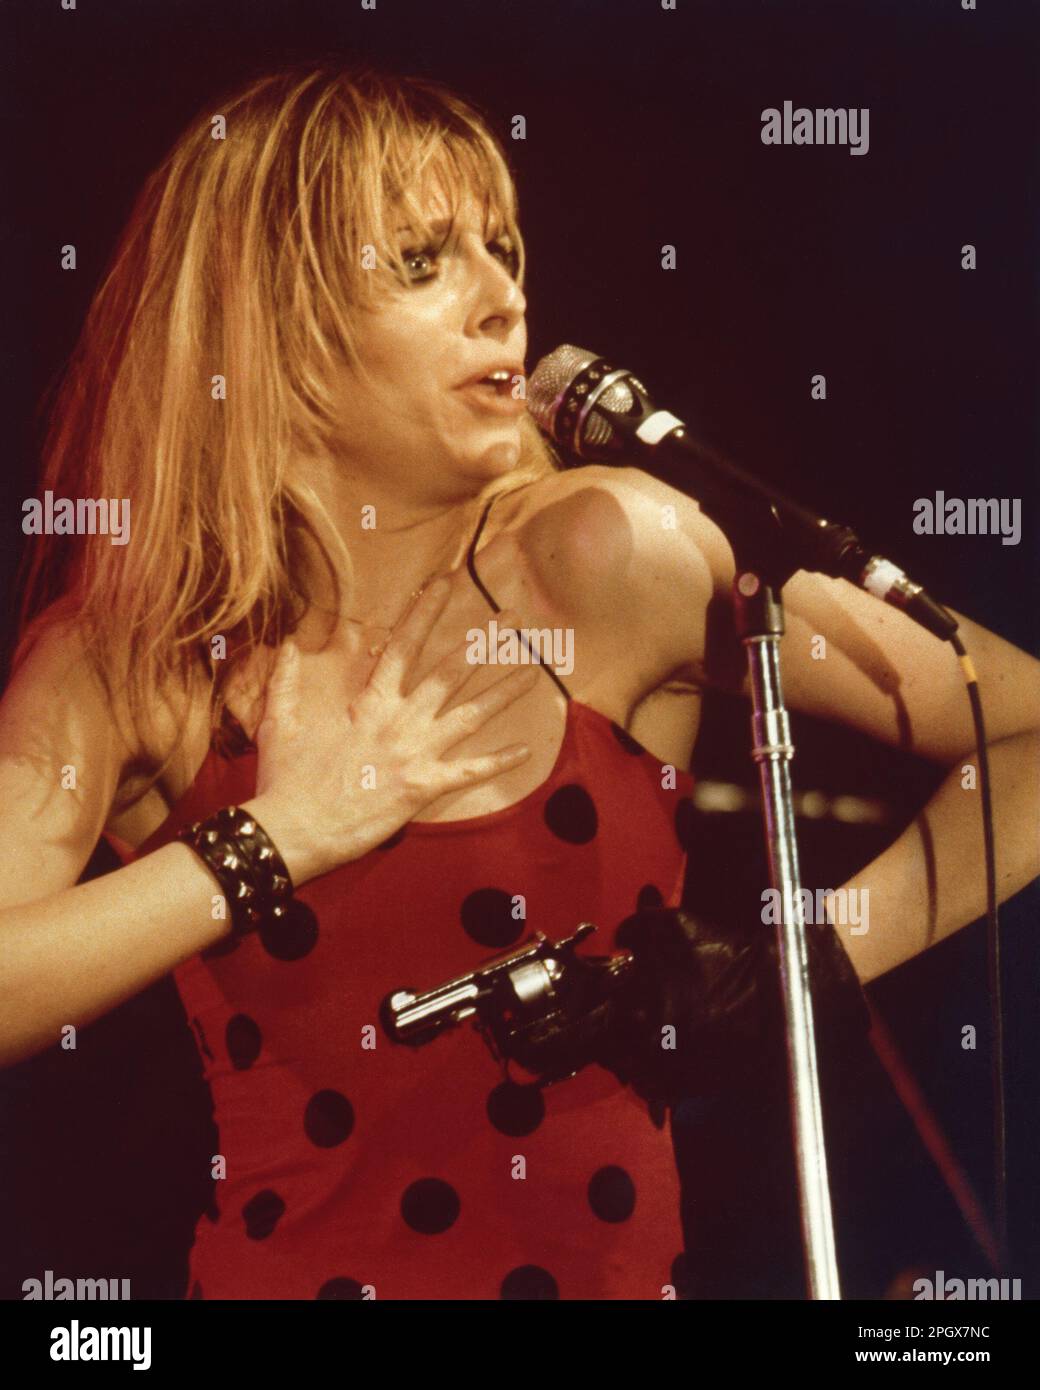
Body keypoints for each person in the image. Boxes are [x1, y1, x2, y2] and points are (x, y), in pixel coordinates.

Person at [2, 63, 1037, 1301]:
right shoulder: (132, 652)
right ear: (267, 326)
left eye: (502, 248)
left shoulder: (603, 551)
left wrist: (803, 965)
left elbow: (1013, 719)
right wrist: (285, 833)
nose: (504, 301)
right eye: (425, 261)